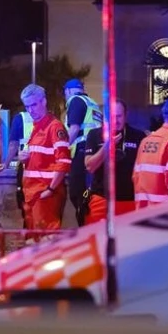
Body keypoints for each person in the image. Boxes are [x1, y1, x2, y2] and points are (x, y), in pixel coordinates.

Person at [18, 84, 71, 238]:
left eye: (34, 105)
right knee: (35, 240)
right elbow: (41, 158)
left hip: (44, 193)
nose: (30, 110)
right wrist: (25, 158)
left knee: (46, 239)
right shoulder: (36, 127)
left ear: (44, 101)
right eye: (27, 106)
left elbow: (64, 161)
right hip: (33, 193)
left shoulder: (54, 127)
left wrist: (50, 190)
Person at [83, 99, 146, 224]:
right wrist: (107, 147)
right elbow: (90, 166)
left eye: (119, 116)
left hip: (129, 200)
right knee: (99, 235)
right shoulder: (95, 134)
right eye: (112, 117)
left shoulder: (138, 136)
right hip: (102, 200)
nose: (115, 120)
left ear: (126, 115)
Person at [63, 78, 103, 225]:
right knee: (89, 192)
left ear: (67, 91)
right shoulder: (93, 104)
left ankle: (85, 225)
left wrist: (62, 148)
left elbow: (74, 129)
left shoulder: (75, 100)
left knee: (77, 193)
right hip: (96, 152)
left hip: (82, 152)